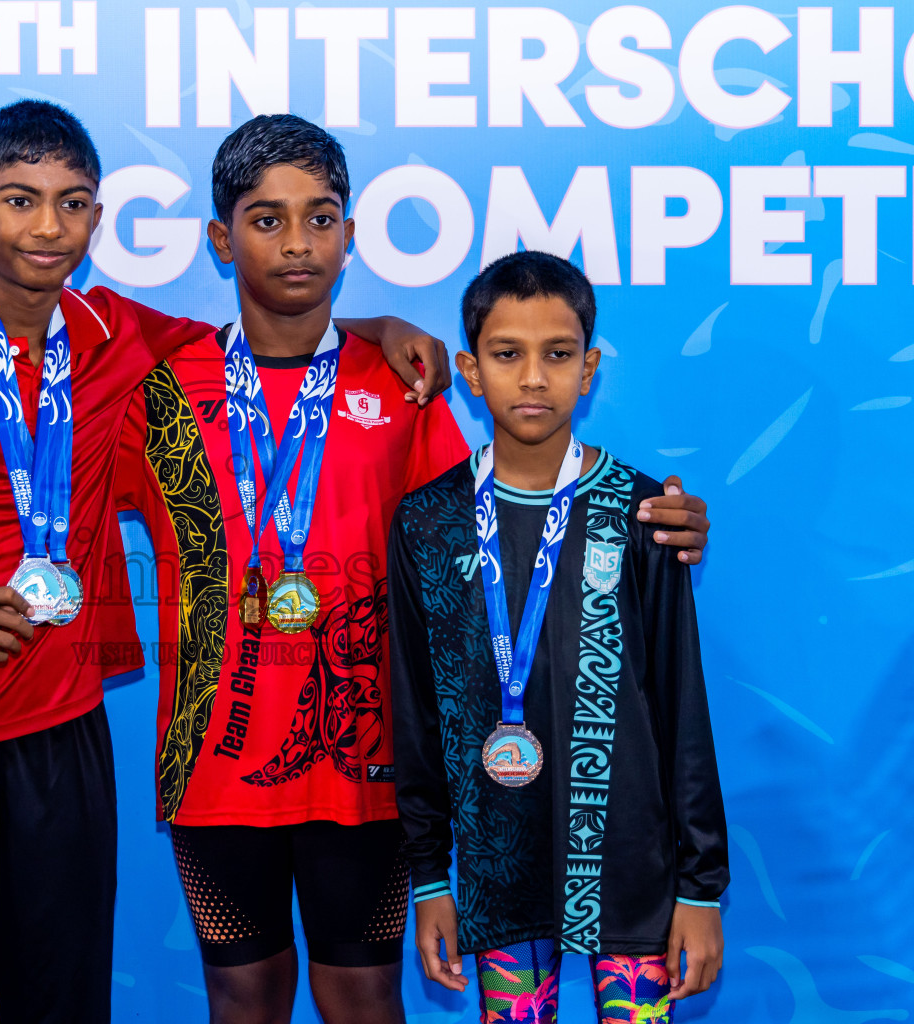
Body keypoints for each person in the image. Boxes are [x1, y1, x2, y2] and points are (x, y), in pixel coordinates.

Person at [0, 99, 448, 1024]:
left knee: (65, 1004)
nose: (47, 226)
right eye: (20, 201)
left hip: (70, 733)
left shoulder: (122, 340)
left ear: (97, 217)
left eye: (72, 202)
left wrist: (379, 323)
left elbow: (282, 333)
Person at [111, 118, 714, 1024]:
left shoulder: (406, 385)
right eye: (266, 219)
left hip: (371, 770)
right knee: (242, 999)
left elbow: (488, 541)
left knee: (365, 999)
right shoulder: (161, 392)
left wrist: (650, 522)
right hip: (215, 762)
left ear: (350, 237)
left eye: (320, 219)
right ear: (219, 238)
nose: (297, 242)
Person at [387, 251, 728, 1024]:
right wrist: (430, 879)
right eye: (508, 355)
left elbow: (682, 707)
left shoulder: (644, 514)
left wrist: (701, 886)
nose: (534, 377)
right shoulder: (428, 522)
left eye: (558, 354)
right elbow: (416, 717)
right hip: (496, 864)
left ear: (590, 367)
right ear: (471, 370)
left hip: (630, 866)